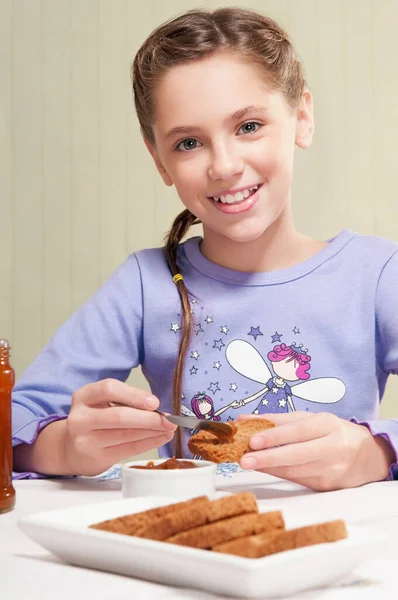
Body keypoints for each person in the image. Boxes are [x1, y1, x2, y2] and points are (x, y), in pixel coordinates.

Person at [12, 7, 398, 490]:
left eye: (249, 126)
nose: (224, 165)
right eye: (189, 142)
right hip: (191, 552)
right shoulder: (145, 286)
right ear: (159, 159)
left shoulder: (377, 275)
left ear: (301, 117)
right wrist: (66, 445)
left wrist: (376, 450)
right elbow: (15, 417)